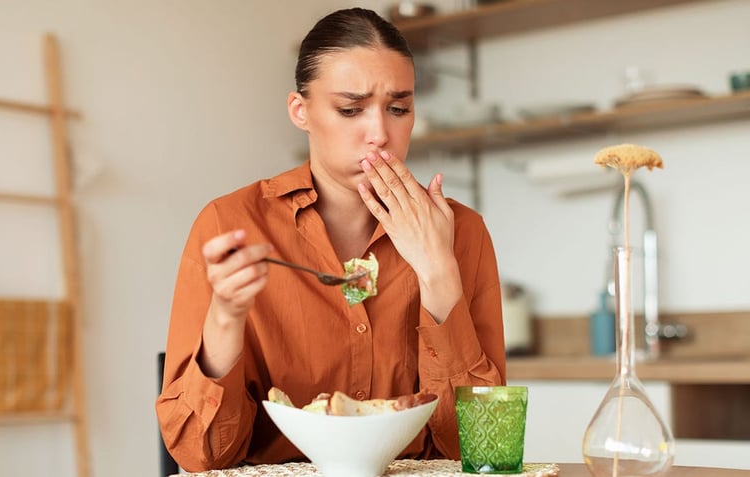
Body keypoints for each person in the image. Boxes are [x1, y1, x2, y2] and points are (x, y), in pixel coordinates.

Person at [156, 7, 506, 472]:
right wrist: (225, 318)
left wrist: (437, 271)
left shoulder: (462, 231)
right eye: (350, 109)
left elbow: (484, 451)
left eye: (398, 108)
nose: (380, 133)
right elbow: (202, 456)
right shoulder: (229, 222)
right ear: (300, 112)